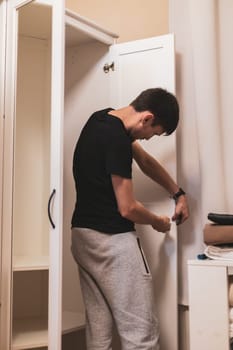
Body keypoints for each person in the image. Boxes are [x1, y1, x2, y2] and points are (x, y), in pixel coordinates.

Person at [71, 88, 189, 350]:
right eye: (154, 133)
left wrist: (178, 193)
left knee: (99, 333)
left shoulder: (100, 119)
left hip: (82, 237)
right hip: (112, 243)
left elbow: (145, 162)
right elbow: (127, 208)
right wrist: (157, 222)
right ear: (147, 118)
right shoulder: (117, 141)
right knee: (141, 334)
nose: (149, 139)